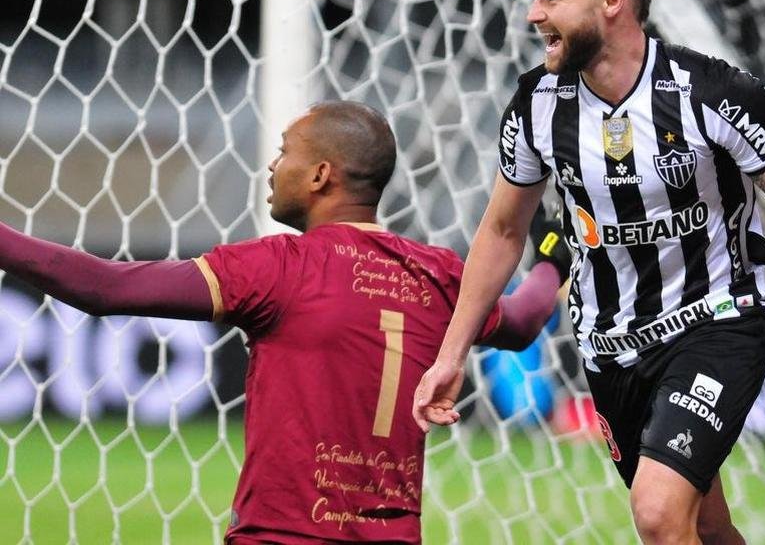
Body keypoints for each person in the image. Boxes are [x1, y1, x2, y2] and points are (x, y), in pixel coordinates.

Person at [414, 0, 765, 544]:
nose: (534, 14)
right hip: (608, 347)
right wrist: (451, 354)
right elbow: (504, 231)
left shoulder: (713, 93)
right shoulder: (538, 103)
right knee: (706, 524)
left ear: (613, 2)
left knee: (657, 511)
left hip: (716, 322)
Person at [0, 100, 565, 544]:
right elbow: (520, 322)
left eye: (285, 152)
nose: (273, 165)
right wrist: (553, 261)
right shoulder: (439, 274)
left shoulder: (278, 268)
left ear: (321, 175)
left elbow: (106, 288)